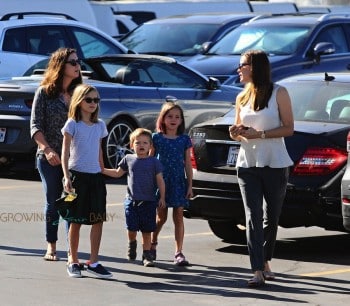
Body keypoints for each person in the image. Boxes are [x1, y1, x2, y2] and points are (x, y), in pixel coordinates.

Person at [228, 50, 294, 287]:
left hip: (275, 163)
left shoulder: (280, 93)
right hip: (247, 164)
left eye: (241, 65)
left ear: (254, 66)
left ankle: (265, 260)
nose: (238, 69)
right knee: (252, 216)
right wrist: (235, 133)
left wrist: (261, 134)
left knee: (271, 217)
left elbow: (289, 128)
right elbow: (238, 128)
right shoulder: (241, 97)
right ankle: (257, 269)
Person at [30, 47, 83, 261]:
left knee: (71, 201)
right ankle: (51, 246)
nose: (78, 66)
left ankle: (72, 250)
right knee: (53, 201)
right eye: (72, 62)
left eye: (78, 62)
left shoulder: (81, 94)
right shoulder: (44, 92)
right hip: (49, 158)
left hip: (74, 159)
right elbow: (35, 126)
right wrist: (47, 149)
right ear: (61, 66)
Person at [61, 83, 112, 278]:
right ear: (79, 101)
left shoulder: (100, 125)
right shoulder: (72, 124)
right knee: (76, 220)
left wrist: (103, 171)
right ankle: (73, 260)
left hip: (95, 178)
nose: (93, 103)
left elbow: (99, 149)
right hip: (77, 177)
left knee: (97, 220)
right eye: (88, 99)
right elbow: (65, 151)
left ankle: (93, 261)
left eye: (96, 100)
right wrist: (66, 177)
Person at [103, 128, 166, 267]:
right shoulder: (128, 159)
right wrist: (102, 170)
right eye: (137, 143)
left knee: (147, 231)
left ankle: (147, 256)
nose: (141, 145)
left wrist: (162, 197)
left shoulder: (154, 162)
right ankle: (132, 244)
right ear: (131, 145)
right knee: (131, 229)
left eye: (145, 143)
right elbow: (118, 173)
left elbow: (160, 180)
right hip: (132, 202)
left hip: (149, 202)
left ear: (150, 146)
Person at [150, 102, 193, 266]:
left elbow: (188, 164)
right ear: (163, 119)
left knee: (179, 216)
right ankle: (152, 244)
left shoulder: (184, 139)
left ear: (181, 120)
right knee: (161, 217)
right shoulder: (157, 138)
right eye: (170, 116)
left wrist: (189, 185)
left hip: (178, 182)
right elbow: (151, 160)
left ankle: (178, 252)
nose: (173, 120)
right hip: (161, 182)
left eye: (177, 117)